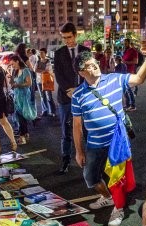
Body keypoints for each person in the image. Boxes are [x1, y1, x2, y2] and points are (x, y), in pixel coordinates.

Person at [72, 43, 146, 226]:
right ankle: (107, 197)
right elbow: (77, 126)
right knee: (91, 177)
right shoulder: (78, 95)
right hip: (94, 143)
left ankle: (118, 208)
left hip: (116, 141)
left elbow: (139, 78)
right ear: (81, 73)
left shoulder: (115, 79)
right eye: (89, 66)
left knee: (116, 179)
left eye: (95, 63)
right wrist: (79, 151)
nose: (95, 67)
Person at [53, 22, 91, 175]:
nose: (67, 41)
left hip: (85, 96)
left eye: (69, 37)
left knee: (88, 130)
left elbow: (90, 72)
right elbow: (58, 74)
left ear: (75, 35)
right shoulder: (59, 53)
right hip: (66, 97)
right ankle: (66, 160)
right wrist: (68, 90)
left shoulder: (86, 51)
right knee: (66, 130)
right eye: (64, 38)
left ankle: (92, 160)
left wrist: (79, 90)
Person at [9, 55, 32, 145]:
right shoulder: (15, 71)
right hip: (17, 96)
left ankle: (22, 137)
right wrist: (11, 79)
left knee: (21, 117)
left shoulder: (25, 70)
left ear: (17, 61)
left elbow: (29, 83)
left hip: (24, 97)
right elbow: (12, 83)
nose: (12, 65)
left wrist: (18, 85)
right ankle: (25, 134)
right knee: (22, 117)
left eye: (13, 63)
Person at [35, 48, 56, 117]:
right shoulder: (37, 61)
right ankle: (45, 111)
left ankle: (52, 111)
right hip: (39, 81)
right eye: (40, 53)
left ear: (45, 53)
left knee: (49, 97)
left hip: (47, 81)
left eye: (42, 53)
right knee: (42, 97)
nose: (40, 54)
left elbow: (47, 70)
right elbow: (35, 70)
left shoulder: (48, 61)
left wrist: (40, 70)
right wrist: (42, 70)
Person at [121, 39, 137, 111]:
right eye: (124, 43)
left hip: (130, 72)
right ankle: (127, 105)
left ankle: (132, 105)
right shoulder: (125, 51)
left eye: (126, 43)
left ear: (129, 43)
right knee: (125, 89)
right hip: (124, 72)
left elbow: (135, 61)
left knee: (129, 89)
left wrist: (125, 62)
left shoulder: (133, 51)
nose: (125, 44)